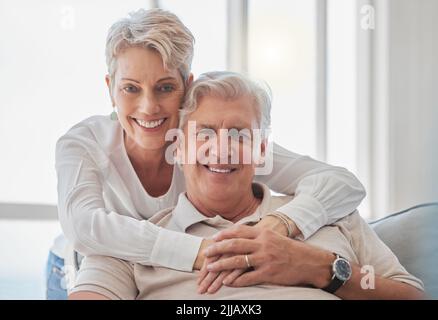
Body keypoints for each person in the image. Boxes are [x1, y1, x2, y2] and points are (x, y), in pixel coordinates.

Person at [48, 8, 366, 299]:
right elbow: (83, 227)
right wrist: (203, 252)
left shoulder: (211, 146)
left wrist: (281, 222)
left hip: (162, 276)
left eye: (165, 87)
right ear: (110, 88)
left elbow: (342, 182)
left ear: (187, 86)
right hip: (81, 268)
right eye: (131, 88)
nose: (148, 107)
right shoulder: (83, 143)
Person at [69, 72, 424, 300]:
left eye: (240, 134)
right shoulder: (130, 242)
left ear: (263, 151)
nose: (221, 148)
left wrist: (318, 268)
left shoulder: (334, 216)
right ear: (177, 148)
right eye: (204, 133)